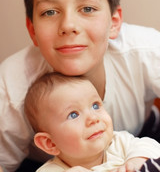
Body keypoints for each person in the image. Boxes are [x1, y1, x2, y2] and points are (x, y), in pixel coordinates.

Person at [0, 0, 160, 172]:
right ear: (32, 30)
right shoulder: (10, 89)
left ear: (114, 22)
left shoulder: (145, 50)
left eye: (87, 8)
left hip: (137, 142)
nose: (68, 25)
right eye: (50, 12)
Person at [24, 72, 160, 172]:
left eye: (95, 106)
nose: (93, 118)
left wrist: (137, 159)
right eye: (73, 115)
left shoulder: (118, 142)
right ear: (50, 143)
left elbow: (150, 145)